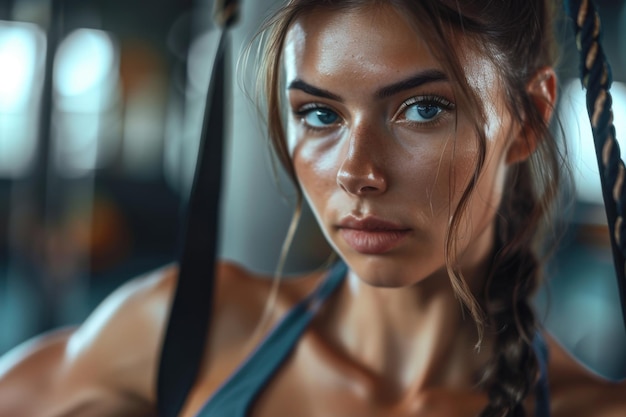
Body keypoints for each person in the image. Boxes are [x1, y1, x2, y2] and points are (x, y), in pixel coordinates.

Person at [1, 0, 625, 416]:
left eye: (424, 109)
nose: (358, 172)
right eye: (320, 114)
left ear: (530, 118)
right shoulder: (186, 332)